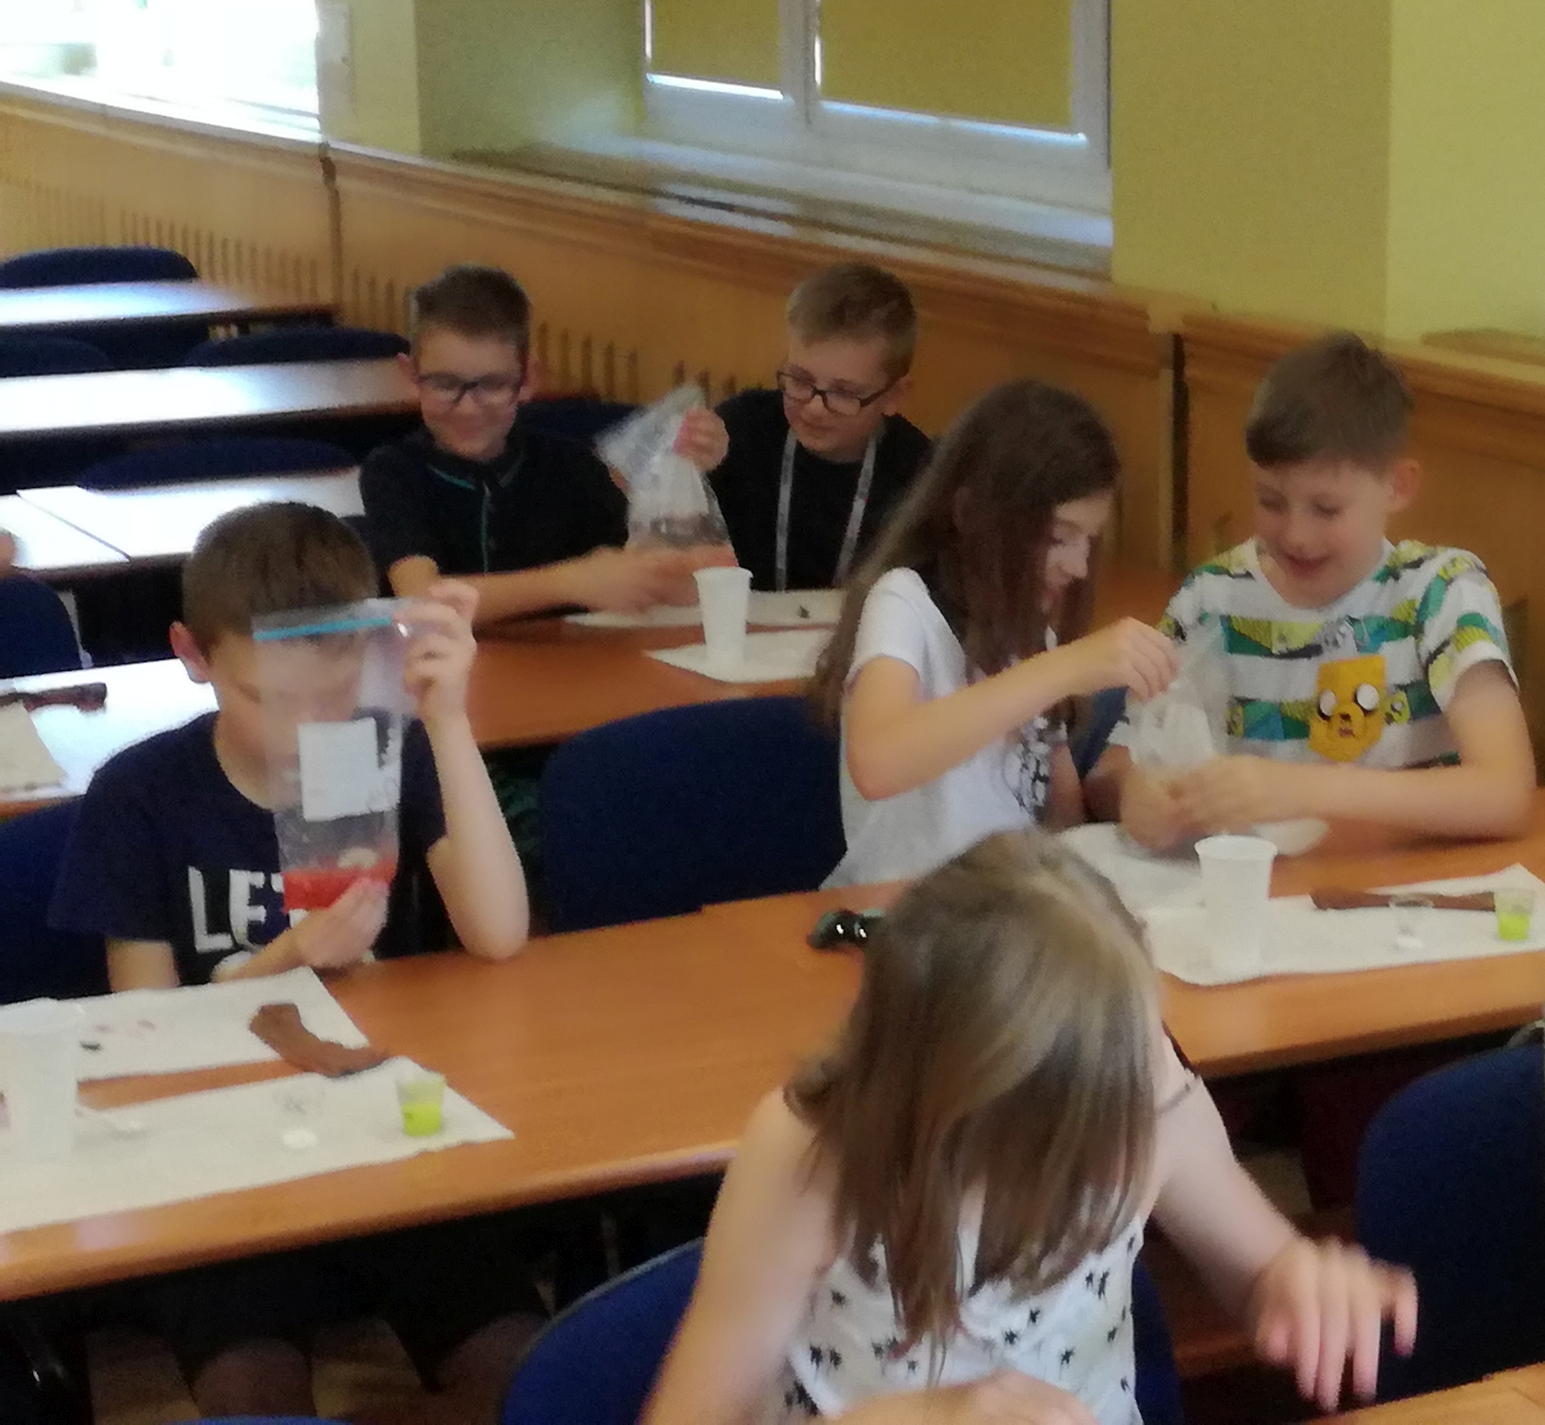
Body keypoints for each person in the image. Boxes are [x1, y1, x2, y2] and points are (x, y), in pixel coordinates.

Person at [643, 831, 1418, 1423]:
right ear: (959, 1122)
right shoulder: (815, 1158)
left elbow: (1260, 1268)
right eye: (1083, 1145)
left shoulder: (1150, 1094)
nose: (1138, 1140)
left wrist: (1299, 1284)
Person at [47, 502, 543, 1418]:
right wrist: (288, 960)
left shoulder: (385, 754)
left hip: (390, 1135)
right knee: (253, 1390)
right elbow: (140, 1030)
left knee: (523, 1368)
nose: (301, 727)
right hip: (218, 1160)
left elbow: (500, 932)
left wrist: (445, 721)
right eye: (265, 698)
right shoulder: (142, 795)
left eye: (332, 694)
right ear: (191, 655)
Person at [1084, 332, 1535, 851]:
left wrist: (1303, 790)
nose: (1296, 535)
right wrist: (1133, 794)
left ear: (1398, 486)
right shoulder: (1210, 600)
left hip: (1404, 887)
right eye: (1270, 501)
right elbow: (1111, 769)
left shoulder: (1443, 593)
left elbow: (1507, 793)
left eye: (1326, 509)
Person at [807, 380, 1178, 888]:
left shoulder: (1031, 635)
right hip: (905, 910)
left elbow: (1061, 821)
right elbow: (877, 763)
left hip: (1006, 907)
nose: (1077, 566)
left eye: (1088, 542)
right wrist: (1059, 670)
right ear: (970, 514)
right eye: (1058, 538)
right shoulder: (905, 602)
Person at [361, 263, 730, 626]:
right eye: (444, 384)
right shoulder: (393, 471)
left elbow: (668, 580)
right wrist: (569, 582)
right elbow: (422, 599)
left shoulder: (571, 467)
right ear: (410, 376)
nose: (468, 407)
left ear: (528, 380)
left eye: (493, 384)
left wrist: (688, 473)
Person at [686, 262, 934, 592]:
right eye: (800, 380)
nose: (815, 408)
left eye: (844, 392)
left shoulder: (920, 475)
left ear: (894, 396)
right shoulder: (739, 429)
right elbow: (663, 537)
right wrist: (695, 473)